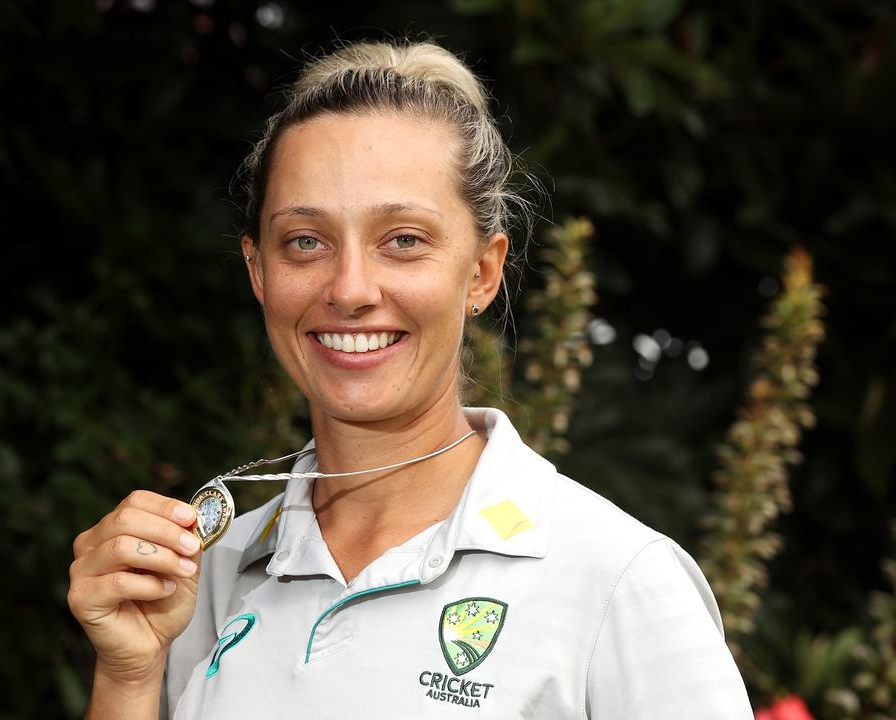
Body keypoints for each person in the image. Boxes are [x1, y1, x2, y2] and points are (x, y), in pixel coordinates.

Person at [68, 39, 753, 719]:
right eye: (306, 241)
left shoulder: (618, 583)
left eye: (403, 240)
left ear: (482, 272)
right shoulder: (208, 577)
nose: (350, 289)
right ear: (259, 272)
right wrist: (128, 676)